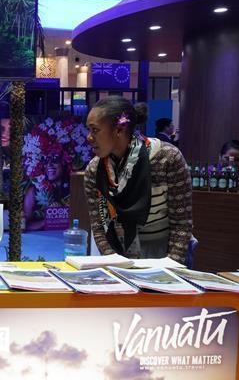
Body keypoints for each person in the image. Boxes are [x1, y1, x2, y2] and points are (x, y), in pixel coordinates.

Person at [83, 97, 193, 262]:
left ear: (119, 130)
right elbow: (99, 226)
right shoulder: (94, 170)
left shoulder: (167, 158)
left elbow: (181, 223)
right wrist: (115, 262)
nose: (89, 137)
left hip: (165, 251)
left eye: (95, 130)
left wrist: (170, 266)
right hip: (120, 252)